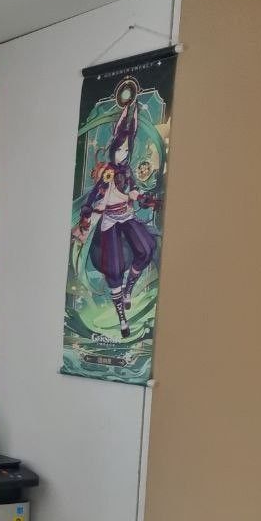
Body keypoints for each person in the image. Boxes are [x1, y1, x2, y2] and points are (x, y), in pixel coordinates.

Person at [72, 79, 159, 338]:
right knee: (113, 268)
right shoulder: (107, 172)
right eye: (120, 148)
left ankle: (130, 289)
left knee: (146, 248)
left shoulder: (127, 171)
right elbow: (94, 199)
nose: (123, 152)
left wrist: (144, 198)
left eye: (126, 149)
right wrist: (86, 219)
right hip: (109, 220)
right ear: (113, 149)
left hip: (127, 216)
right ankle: (122, 317)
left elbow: (134, 193)